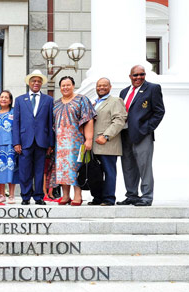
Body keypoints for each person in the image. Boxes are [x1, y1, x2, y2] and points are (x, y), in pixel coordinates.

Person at [118, 65, 165, 206]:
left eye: (141, 74)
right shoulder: (124, 92)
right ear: (130, 76)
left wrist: (146, 129)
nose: (139, 77)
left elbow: (159, 112)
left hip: (142, 135)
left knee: (144, 166)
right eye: (135, 75)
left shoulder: (153, 88)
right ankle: (131, 195)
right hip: (125, 134)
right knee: (128, 166)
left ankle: (146, 196)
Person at [12, 70, 54, 205]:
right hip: (24, 141)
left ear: (41, 83)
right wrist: (16, 142)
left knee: (39, 170)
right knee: (24, 170)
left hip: (42, 141)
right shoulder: (19, 100)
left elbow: (50, 122)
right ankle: (25, 197)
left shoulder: (48, 100)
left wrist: (51, 143)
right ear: (29, 83)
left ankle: (39, 196)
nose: (36, 83)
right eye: (33, 81)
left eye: (38, 81)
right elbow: (16, 123)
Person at [53, 76, 96, 206]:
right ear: (60, 88)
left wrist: (89, 139)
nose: (65, 87)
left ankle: (78, 195)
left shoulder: (82, 100)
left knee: (76, 168)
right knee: (62, 169)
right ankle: (65, 195)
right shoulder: (56, 104)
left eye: (68, 85)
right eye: (63, 85)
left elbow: (89, 119)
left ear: (73, 85)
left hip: (76, 141)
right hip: (59, 143)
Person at [88, 77, 127, 206]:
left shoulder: (115, 101)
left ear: (110, 87)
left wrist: (106, 136)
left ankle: (109, 198)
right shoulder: (94, 103)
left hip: (107, 143)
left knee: (109, 172)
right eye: (99, 85)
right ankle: (97, 198)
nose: (101, 88)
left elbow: (119, 120)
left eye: (105, 85)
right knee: (96, 173)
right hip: (93, 144)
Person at [0, 90, 19, 204]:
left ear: (10, 100)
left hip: (11, 144)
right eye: (1, 97)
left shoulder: (14, 112)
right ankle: (2, 194)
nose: (3, 99)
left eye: (6, 97)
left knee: (11, 170)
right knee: (0, 169)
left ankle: (12, 195)